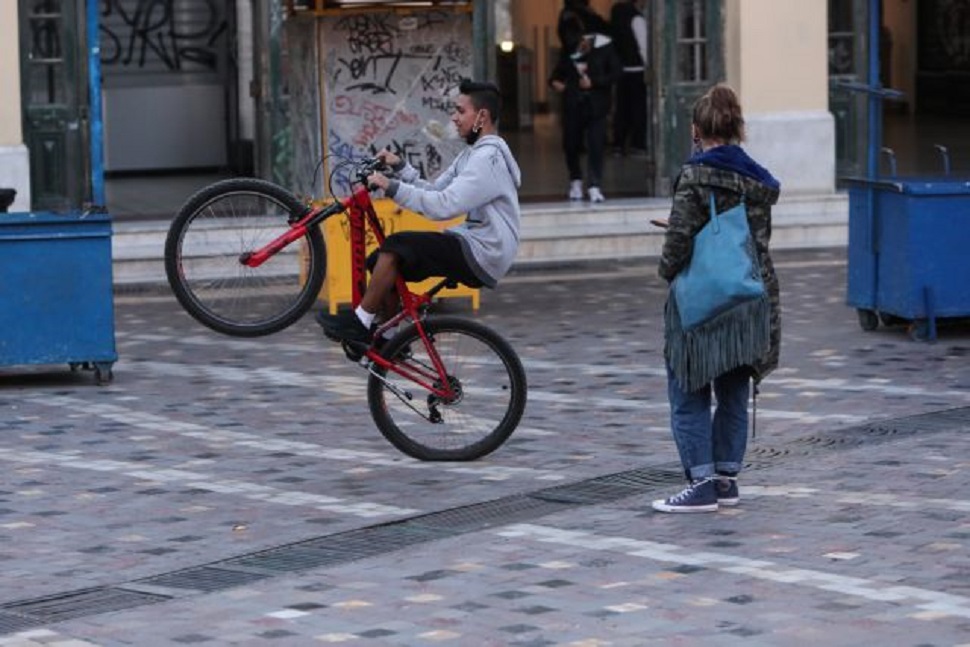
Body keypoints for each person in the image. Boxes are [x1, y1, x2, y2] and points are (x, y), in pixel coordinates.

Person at [316, 79, 522, 352]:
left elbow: (442, 206)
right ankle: (391, 341)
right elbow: (436, 189)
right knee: (380, 261)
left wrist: (390, 187)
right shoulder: (471, 155)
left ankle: (361, 322)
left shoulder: (488, 159)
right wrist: (400, 168)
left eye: (460, 111)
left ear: (481, 116)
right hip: (474, 243)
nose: (453, 117)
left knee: (397, 246)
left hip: (484, 251)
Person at [652, 84, 781, 513]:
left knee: (688, 387)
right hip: (748, 296)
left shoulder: (695, 174)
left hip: (702, 301)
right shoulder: (758, 179)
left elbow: (679, 243)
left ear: (696, 130)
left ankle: (701, 482)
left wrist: (665, 266)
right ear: (737, 129)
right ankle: (726, 478)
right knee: (732, 390)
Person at [549, 9, 622, 203]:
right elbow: (556, 76)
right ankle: (575, 180)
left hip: (597, 105)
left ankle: (594, 185)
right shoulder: (571, 49)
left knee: (596, 144)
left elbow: (615, 74)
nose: (582, 44)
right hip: (573, 104)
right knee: (571, 144)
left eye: (586, 40)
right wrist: (557, 83)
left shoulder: (607, 48)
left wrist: (595, 82)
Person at [609, 0, 648, 156]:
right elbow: (643, 46)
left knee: (622, 110)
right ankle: (637, 145)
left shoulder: (617, 16)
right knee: (638, 109)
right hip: (637, 70)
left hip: (622, 70)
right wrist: (649, 66)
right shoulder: (637, 19)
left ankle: (618, 144)